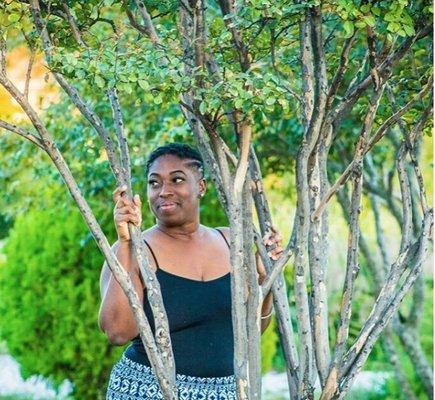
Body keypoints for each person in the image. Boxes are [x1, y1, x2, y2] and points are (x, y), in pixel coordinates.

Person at [99, 143, 282, 400]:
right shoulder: (133, 249)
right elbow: (117, 332)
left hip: (225, 393)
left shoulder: (231, 243)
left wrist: (263, 279)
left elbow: (251, 330)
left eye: (177, 180)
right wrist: (127, 244)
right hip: (149, 391)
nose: (164, 191)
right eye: (154, 183)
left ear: (201, 186)